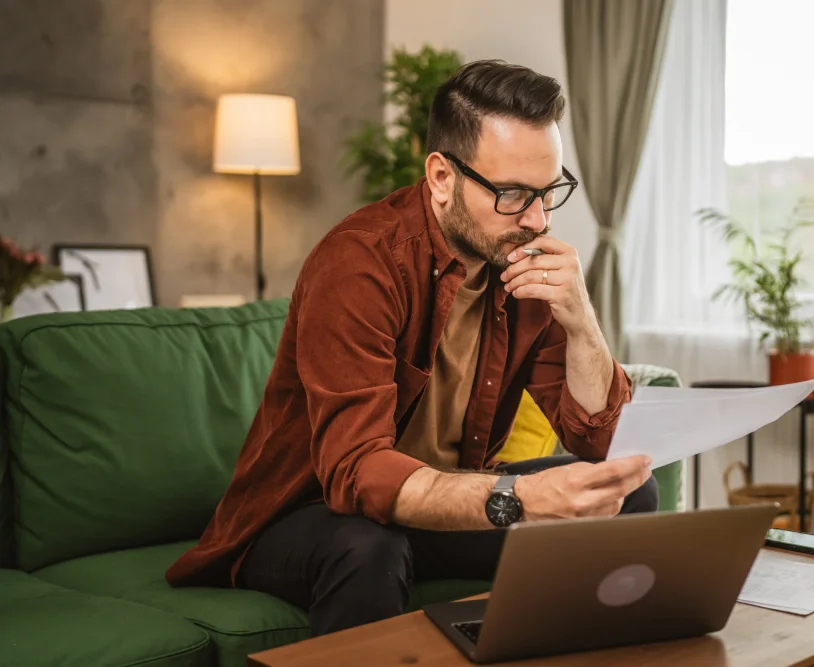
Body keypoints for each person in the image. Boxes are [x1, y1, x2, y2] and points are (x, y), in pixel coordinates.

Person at [165, 60, 657, 636]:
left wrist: (582, 320)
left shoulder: (523, 262)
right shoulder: (359, 262)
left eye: (549, 192)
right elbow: (357, 470)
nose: (537, 219)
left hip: (441, 509)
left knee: (628, 491)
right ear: (442, 177)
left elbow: (601, 438)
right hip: (311, 514)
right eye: (513, 194)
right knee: (368, 547)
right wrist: (517, 498)